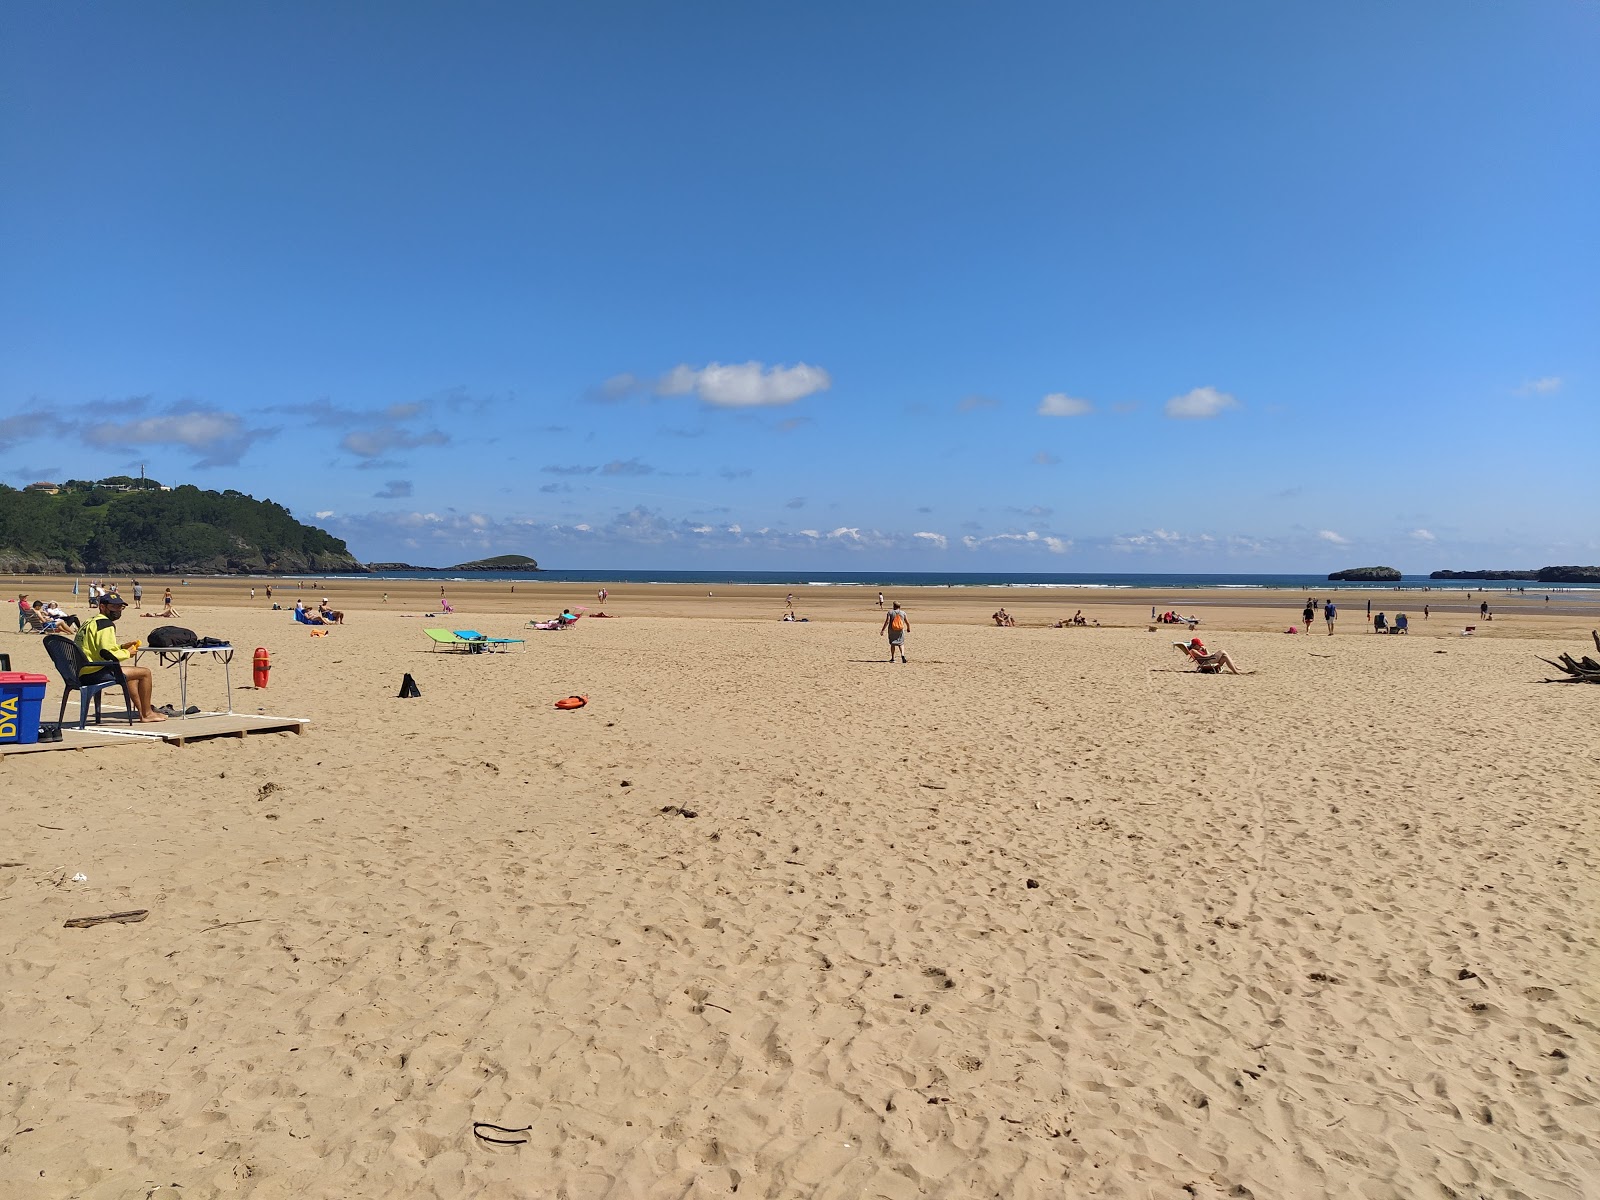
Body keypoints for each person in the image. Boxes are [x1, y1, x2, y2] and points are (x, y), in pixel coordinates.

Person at [74, 593, 165, 722]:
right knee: (145, 673)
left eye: (120, 607)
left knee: (133, 674)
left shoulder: (90, 621)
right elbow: (106, 653)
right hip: (93, 672)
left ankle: (142, 712)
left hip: (81, 670)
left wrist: (122, 646)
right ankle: (147, 714)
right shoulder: (105, 624)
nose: (117, 611)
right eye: (113, 607)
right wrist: (128, 653)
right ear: (102, 607)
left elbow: (97, 646)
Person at [1174, 637, 1243, 675]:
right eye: (1199, 645)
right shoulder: (1193, 651)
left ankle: (1235, 670)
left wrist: (1205, 650)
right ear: (1195, 645)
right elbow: (1203, 657)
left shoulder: (1198, 649)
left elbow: (1206, 654)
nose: (1201, 646)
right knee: (1222, 651)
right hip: (1206, 663)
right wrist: (1212, 654)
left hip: (1208, 660)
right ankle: (1235, 669)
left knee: (1224, 657)